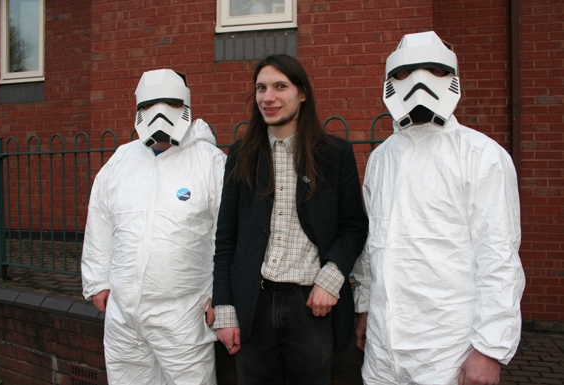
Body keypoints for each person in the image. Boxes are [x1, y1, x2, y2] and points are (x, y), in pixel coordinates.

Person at [352, 31, 525, 385]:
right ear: (388, 81)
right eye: (403, 74)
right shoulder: (382, 158)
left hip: (448, 350)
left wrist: (489, 349)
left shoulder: (482, 156)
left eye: (433, 70)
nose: (418, 82)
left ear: (453, 77)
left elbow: (499, 257)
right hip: (383, 350)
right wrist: (366, 306)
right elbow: (374, 244)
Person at [212, 54, 368, 385]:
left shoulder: (334, 155)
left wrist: (332, 276)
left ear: (302, 93)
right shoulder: (242, 155)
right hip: (252, 303)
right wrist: (225, 310)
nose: (268, 97)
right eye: (261, 88)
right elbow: (226, 238)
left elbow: (355, 226)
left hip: (311, 306)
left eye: (280, 86)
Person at [81, 69, 226, 385]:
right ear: (138, 110)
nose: (159, 114)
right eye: (149, 105)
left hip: (184, 313)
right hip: (123, 313)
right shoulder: (121, 161)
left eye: (170, 103)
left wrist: (222, 296)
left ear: (186, 105)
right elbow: (100, 221)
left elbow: (225, 234)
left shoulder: (210, 162)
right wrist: (98, 281)